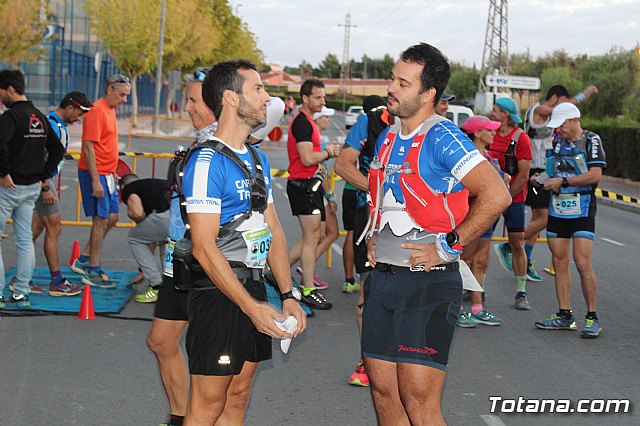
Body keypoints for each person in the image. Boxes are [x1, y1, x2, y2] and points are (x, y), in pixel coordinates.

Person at [362, 43, 511, 425]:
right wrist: (375, 233)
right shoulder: (388, 136)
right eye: (392, 78)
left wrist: (448, 248)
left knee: (419, 402)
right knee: (383, 395)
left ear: (428, 94)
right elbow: (385, 197)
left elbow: (496, 195)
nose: (391, 87)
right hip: (382, 282)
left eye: (402, 82)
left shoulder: (443, 136)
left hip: (427, 285)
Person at [180, 60, 306, 424]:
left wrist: (287, 296)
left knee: (237, 397)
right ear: (231, 99)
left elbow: (275, 231)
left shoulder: (257, 159)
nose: (268, 97)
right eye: (258, 89)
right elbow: (203, 247)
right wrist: (252, 308)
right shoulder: (206, 161)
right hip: (218, 292)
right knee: (207, 405)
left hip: (253, 286)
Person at [534, 103, 605, 338]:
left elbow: (595, 175)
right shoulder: (557, 142)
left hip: (582, 209)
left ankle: (592, 316)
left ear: (575, 120)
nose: (560, 130)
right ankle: (564, 314)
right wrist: (541, 179)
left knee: (582, 262)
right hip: (558, 209)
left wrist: (563, 183)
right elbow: (553, 173)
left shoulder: (591, 140)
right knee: (559, 261)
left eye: (562, 125)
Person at [335, 94, 391, 387]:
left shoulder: (434, 128)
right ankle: (366, 361)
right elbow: (343, 166)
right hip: (370, 217)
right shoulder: (367, 122)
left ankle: (400, 360)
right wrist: (377, 190)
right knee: (367, 294)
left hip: (415, 225)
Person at [0, 69, 64, 308]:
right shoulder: (39, 116)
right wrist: (43, 176)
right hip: (31, 189)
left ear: (10, 89)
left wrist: (4, 173)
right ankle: (22, 292)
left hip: (9, 187)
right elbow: (57, 150)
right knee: (25, 240)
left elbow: (0, 146)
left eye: (0, 92)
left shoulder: (9, 118)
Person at [522, 84, 599, 282]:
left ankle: (526, 259)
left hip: (546, 172)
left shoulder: (564, 128)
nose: (557, 125)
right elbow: (561, 110)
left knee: (539, 218)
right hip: (536, 169)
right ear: (555, 98)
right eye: (563, 101)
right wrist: (584, 95)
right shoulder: (538, 110)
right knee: (544, 219)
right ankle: (513, 244)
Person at [71, 74, 131, 288]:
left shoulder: (110, 110)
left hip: (107, 174)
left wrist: (112, 170)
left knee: (113, 217)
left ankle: (85, 258)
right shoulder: (97, 111)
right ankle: (92, 269)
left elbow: (105, 146)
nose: (124, 99)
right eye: (122, 95)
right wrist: (96, 180)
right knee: (101, 220)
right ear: (109, 89)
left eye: (127, 95)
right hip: (95, 174)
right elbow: (88, 148)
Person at [31, 91, 92, 297]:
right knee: (54, 228)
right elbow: (39, 157)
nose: (79, 118)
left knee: (33, 232)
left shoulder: (55, 124)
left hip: (44, 181)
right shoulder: (52, 125)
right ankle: (56, 281)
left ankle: (22, 277)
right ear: (70, 108)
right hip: (43, 182)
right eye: (78, 114)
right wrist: (45, 186)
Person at [286, 79, 340, 310]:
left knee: (314, 236)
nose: (323, 101)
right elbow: (308, 158)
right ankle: (308, 289)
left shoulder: (308, 122)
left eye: (323, 97)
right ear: (306, 98)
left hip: (310, 185)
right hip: (302, 185)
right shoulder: (302, 123)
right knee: (311, 237)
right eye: (318, 97)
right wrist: (328, 152)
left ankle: (272, 272)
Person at [457, 115, 509, 328]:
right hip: (470, 217)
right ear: (478, 133)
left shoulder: (488, 156)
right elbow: (463, 188)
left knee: (480, 263)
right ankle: (457, 308)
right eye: (490, 129)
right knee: (463, 262)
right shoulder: (466, 158)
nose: (494, 133)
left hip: (488, 217)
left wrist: (503, 179)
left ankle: (478, 308)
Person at [488, 97, 533, 310]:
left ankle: (521, 292)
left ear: (505, 114)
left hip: (513, 199)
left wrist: (506, 200)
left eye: (495, 110)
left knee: (517, 244)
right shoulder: (491, 134)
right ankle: (476, 290)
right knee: (480, 245)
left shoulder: (521, 138)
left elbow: (523, 175)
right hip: (489, 198)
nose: (491, 112)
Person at [118, 174, 170, 303]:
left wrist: (135, 217)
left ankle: (156, 285)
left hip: (163, 216)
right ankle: (170, 287)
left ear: (122, 186)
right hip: (181, 215)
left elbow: (137, 212)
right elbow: (151, 239)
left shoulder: (129, 189)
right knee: (165, 242)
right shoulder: (155, 184)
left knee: (134, 238)